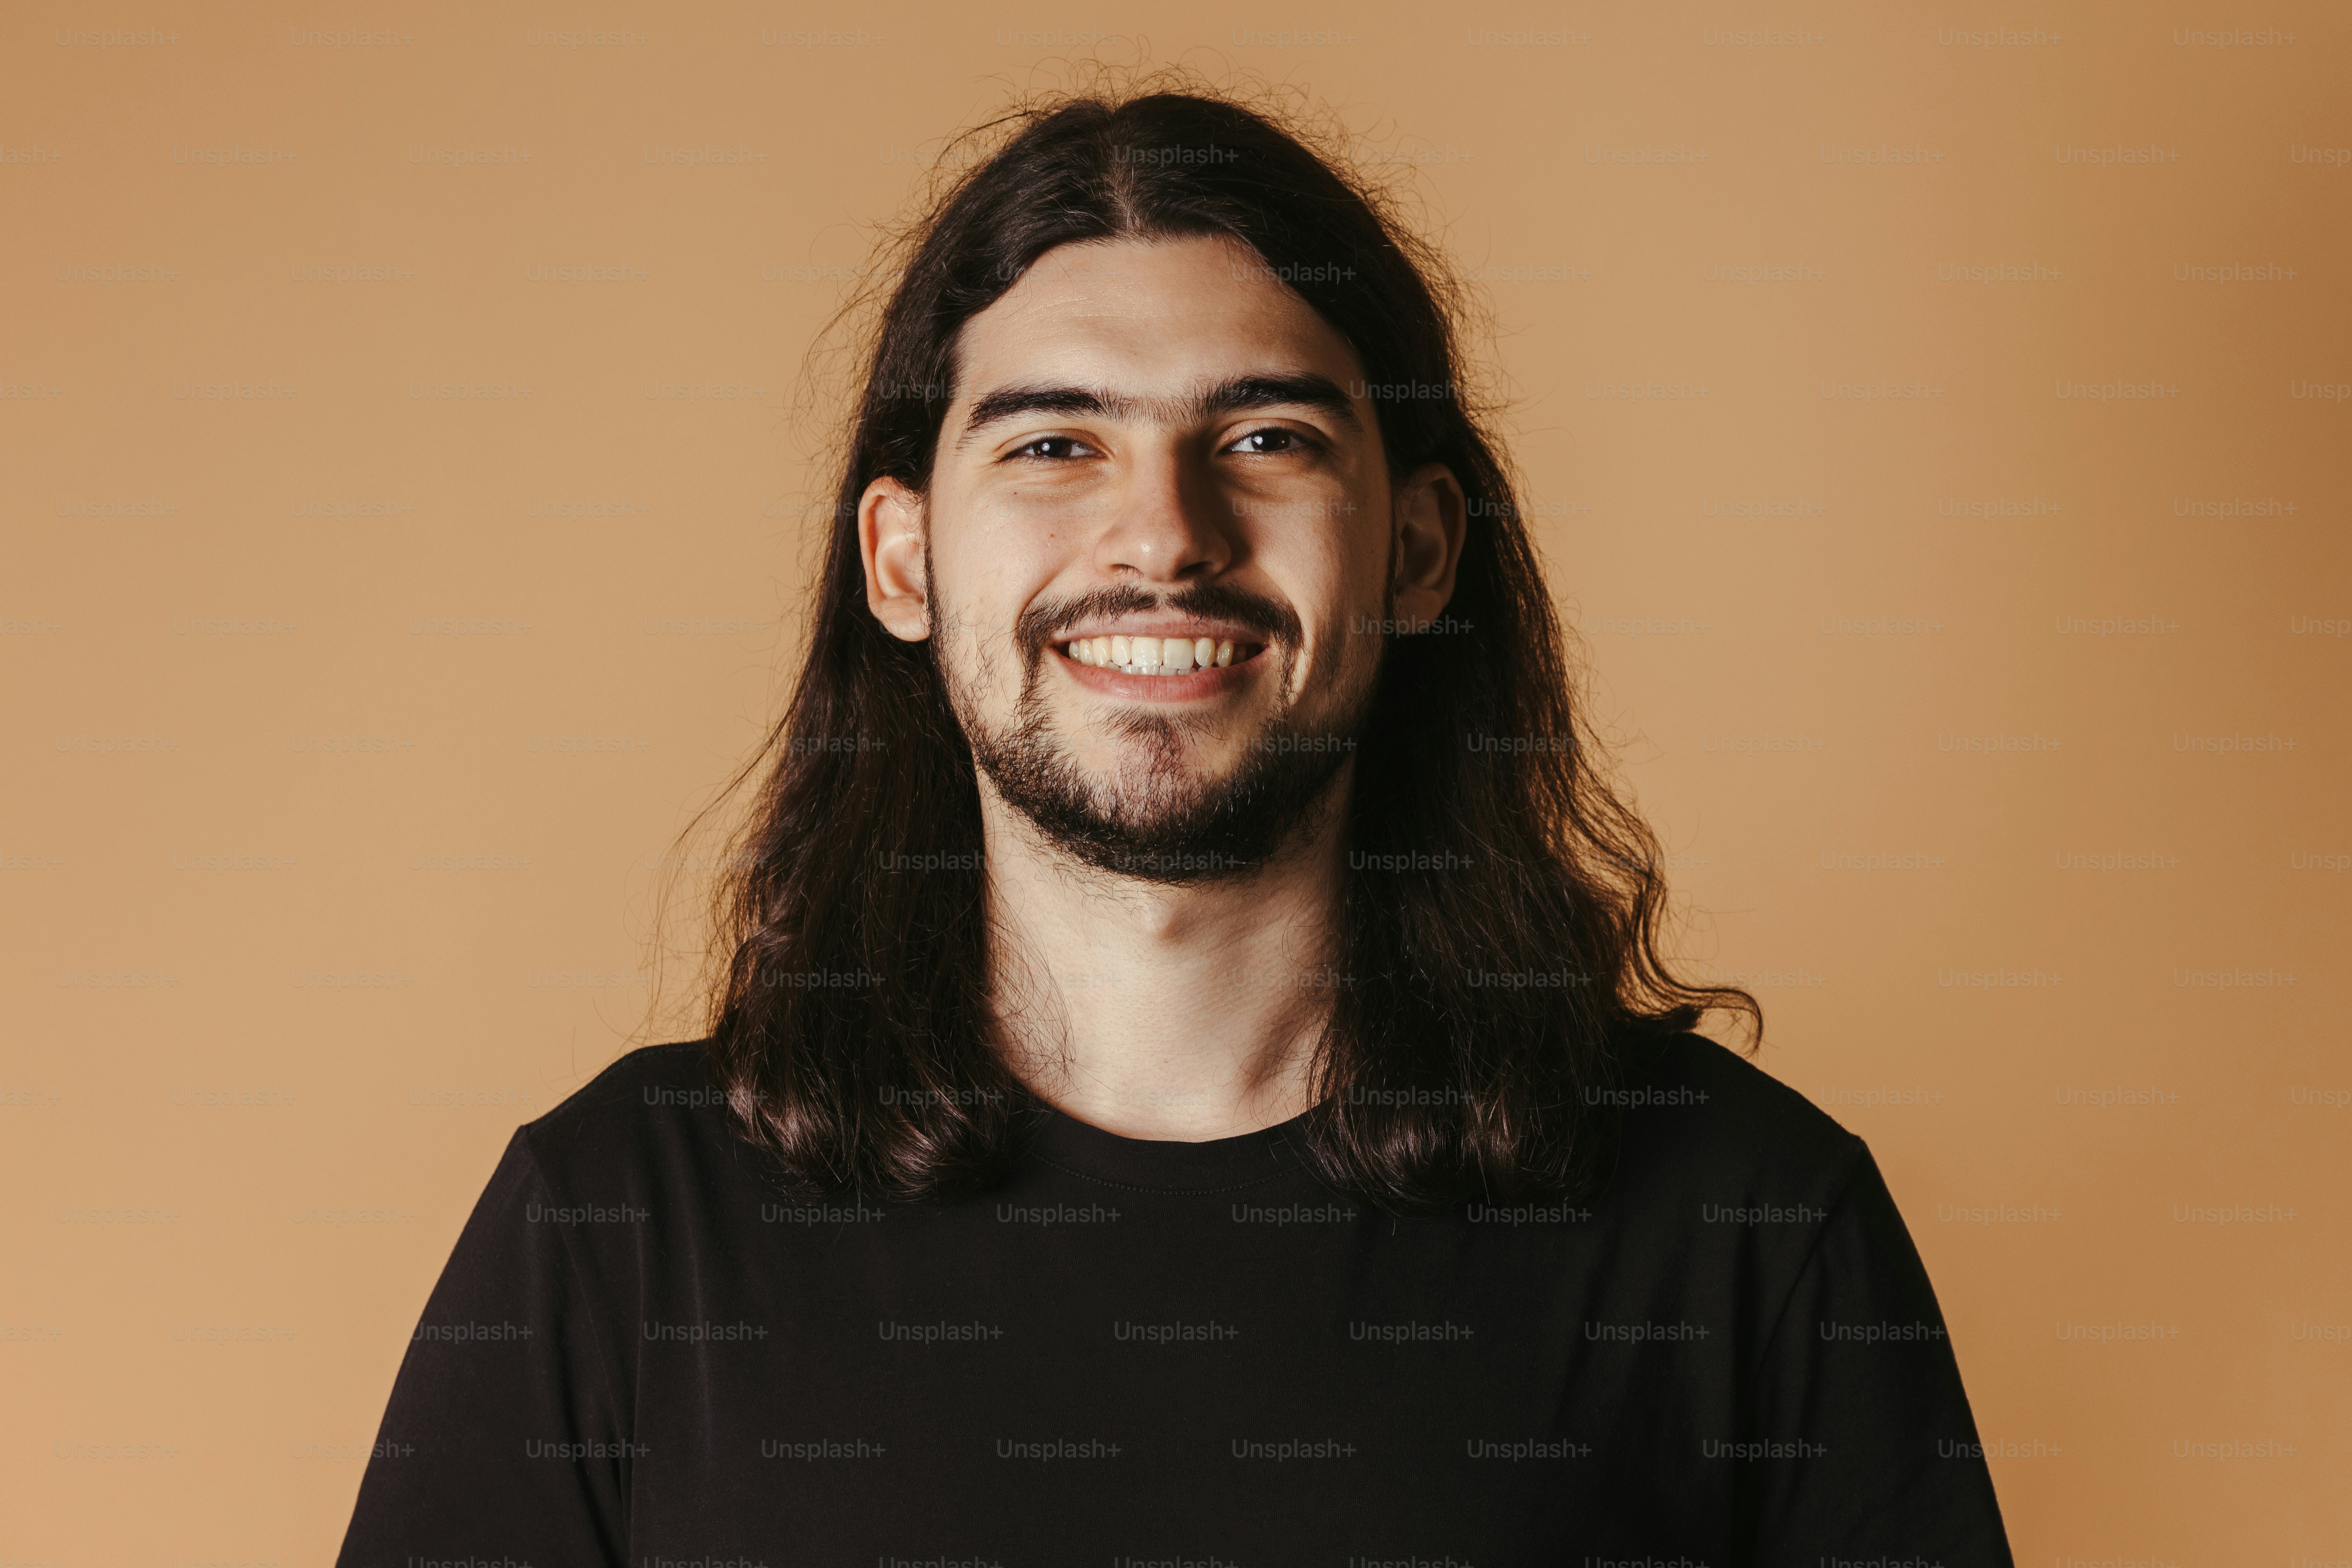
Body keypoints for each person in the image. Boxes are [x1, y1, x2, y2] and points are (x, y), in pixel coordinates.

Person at [338, 86, 2013, 1566]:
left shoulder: (1745, 1221)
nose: (1163, 534)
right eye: (1055, 442)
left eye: (1266, 438)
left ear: (1418, 551)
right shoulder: (618, 1226)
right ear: (904, 560)